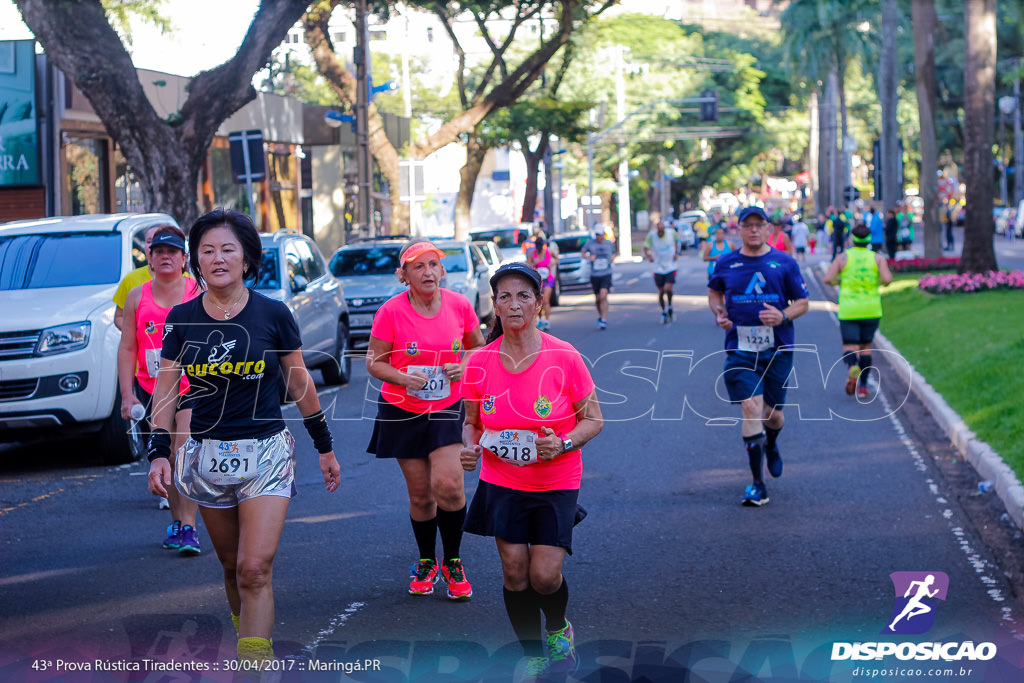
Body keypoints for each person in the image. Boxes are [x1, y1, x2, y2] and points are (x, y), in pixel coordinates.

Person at [148, 209, 340, 664]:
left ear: (248, 259)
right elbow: (167, 390)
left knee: (254, 570)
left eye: (227, 249)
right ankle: (250, 642)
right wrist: (158, 453)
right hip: (206, 456)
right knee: (232, 569)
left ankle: (252, 667)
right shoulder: (181, 319)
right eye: (207, 250)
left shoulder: (273, 313)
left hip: (267, 453)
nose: (217, 258)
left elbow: (299, 383)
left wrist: (324, 445)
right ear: (196, 260)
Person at [460, 262, 603, 681]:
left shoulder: (564, 356)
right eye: (505, 296)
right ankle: (533, 651)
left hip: (556, 479)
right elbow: (472, 422)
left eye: (524, 295)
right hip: (502, 480)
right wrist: (469, 447)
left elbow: (593, 419)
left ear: (539, 303)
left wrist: (562, 442)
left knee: (544, 574)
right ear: (494, 306)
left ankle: (558, 628)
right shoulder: (480, 363)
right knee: (514, 572)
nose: (515, 303)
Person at [365, 239, 486, 599]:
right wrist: (404, 378)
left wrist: (463, 364)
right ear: (404, 275)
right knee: (420, 495)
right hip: (403, 410)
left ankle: (452, 561)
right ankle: (425, 560)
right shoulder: (390, 312)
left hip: (448, 405)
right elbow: (373, 362)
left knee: (449, 485)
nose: (428, 271)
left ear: (442, 270)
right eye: (418, 266)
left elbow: (478, 348)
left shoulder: (460, 305)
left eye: (433, 264)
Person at [707, 206, 809, 507]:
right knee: (751, 406)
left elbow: (803, 302)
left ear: (768, 229)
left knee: (773, 415)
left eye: (759, 225)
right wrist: (718, 311)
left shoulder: (784, 262)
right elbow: (714, 293)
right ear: (739, 229)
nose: (753, 230)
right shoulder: (726, 263)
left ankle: (772, 443)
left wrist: (783, 315)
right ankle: (757, 484)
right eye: (747, 225)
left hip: (778, 349)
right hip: (739, 348)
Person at [117, 226, 202, 554]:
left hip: (194, 386)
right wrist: (127, 394)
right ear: (150, 260)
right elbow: (127, 348)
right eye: (158, 252)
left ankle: (189, 528)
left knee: (184, 454)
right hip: (153, 389)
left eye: (172, 252)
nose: (165, 256)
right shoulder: (137, 296)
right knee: (165, 456)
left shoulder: (199, 292)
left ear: (183, 259)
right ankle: (179, 523)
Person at [823, 223, 893, 399]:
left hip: (849, 310)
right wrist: (877, 284)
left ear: (853, 240)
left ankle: (851, 367)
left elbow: (827, 279)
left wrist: (839, 282)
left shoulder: (843, 258)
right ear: (868, 240)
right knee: (866, 349)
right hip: (871, 309)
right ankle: (862, 387)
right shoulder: (877, 258)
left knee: (850, 347)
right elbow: (887, 279)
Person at [113, 224, 160, 331]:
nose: (153, 246)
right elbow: (119, 317)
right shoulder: (131, 279)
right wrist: (136, 333)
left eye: (158, 241)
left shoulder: (189, 282)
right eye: (149, 241)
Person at [642, 219, 679, 323]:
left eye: (662, 231)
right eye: (659, 232)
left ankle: (670, 305)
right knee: (661, 291)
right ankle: (664, 310)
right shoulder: (652, 235)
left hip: (670, 265)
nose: (661, 234)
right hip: (658, 267)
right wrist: (648, 256)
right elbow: (645, 247)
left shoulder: (671, 233)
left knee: (668, 288)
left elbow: (677, 242)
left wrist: (676, 253)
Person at [581, 226, 615, 330]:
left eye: (600, 235)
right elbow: (582, 253)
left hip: (606, 273)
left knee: (603, 296)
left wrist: (612, 257)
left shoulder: (609, 243)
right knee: (598, 298)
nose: (598, 237)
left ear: (603, 234)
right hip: (595, 274)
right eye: (597, 235)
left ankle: (604, 319)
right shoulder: (590, 243)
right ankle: (600, 316)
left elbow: (614, 253)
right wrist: (588, 257)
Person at [527, 236, 558, 330]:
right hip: (538, 281)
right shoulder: (532, 254)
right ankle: (540, 319)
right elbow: (528, 266)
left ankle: (547, 320)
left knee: (546, 300)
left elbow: (556, 259)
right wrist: (534, 264)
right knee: (539, 301)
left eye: (540, 247)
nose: (539, 249)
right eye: (538, 247)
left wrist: (552, 263)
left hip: (548, 279)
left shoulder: (548, 252)